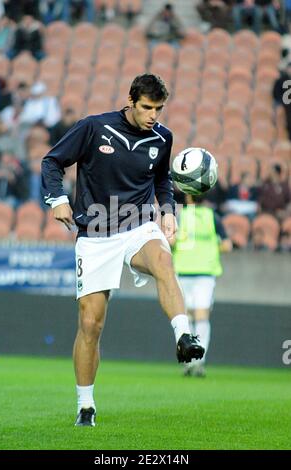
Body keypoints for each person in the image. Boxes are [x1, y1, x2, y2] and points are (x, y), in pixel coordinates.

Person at [40, 74, 205, 427]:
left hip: (138, 225)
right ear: (131, 101)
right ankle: (86, 405)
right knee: (90, 324)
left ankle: (184, 336)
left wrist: (167, 211)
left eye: (159, 108)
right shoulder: (94, 128)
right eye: (147, 107)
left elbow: (161, 180)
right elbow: (51, 162)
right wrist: (57, 199)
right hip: (95, 234)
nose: (153, 115)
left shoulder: (163, 138)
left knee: (163, 259)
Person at [171, 194, 232, 377]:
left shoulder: (180, 215)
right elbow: (227, 245)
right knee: (202, 316)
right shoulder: (212, 216)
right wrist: (211, 248)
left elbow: (171, 241)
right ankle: (199, 361)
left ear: (188, 197)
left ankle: (189, 360)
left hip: (183, 270)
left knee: (186, 316)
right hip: (205, 273)